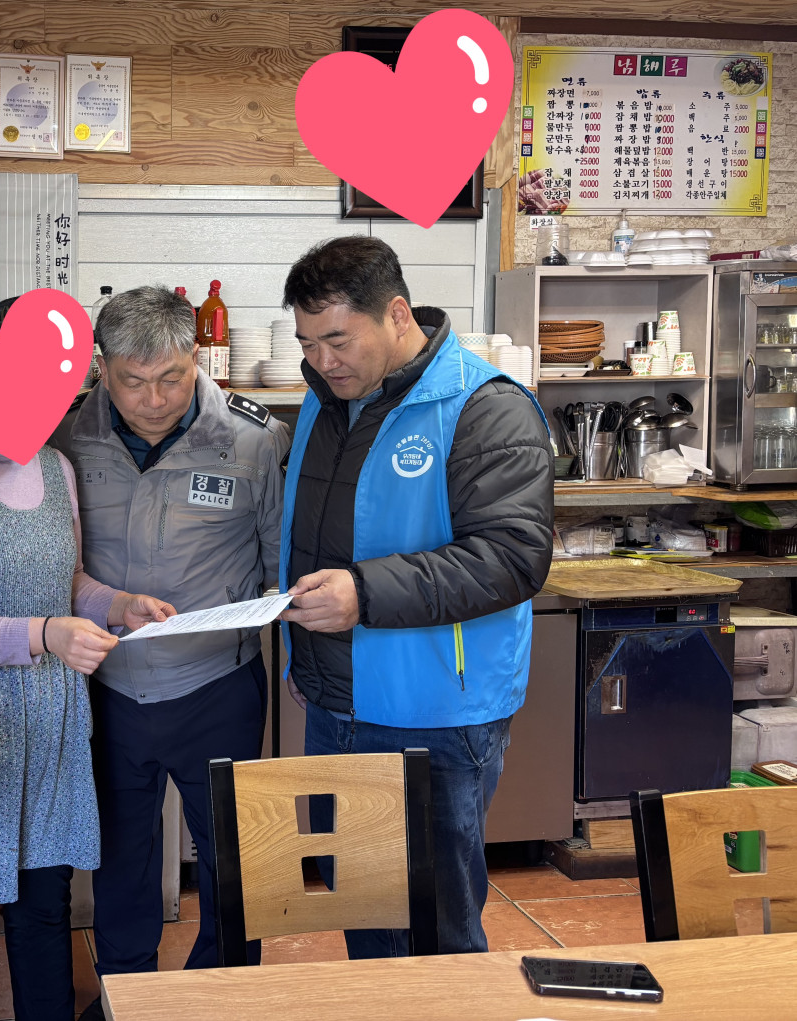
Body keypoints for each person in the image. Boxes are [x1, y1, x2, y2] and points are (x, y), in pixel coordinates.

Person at [0, 296, 176, 1021]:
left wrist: (117, 604)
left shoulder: (56, 469)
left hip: (51, 724)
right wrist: (46, 635)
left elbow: (66, 580)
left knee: (44, 912)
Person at [276, 236, 553, 958]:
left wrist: (364, 593)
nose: (321, 360)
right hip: (334, 701)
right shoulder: (326, 402)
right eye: (307, 343)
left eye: (338, 340)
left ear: (397, 315)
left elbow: (512, 557)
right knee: (365, 913)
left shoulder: (484, 406)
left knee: (436, 930)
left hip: (434, 712)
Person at [55, 286, 292, 1013]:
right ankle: (127, 996)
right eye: (132, 381)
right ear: (101, 367)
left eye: (172, 377)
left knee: (231, 857)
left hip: (217, 687)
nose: (153, 400)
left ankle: (220, 997)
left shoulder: (253, 440)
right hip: (110, 688)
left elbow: (279, 562)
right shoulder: (66, 438)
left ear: (196, 358)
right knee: (121, 856)